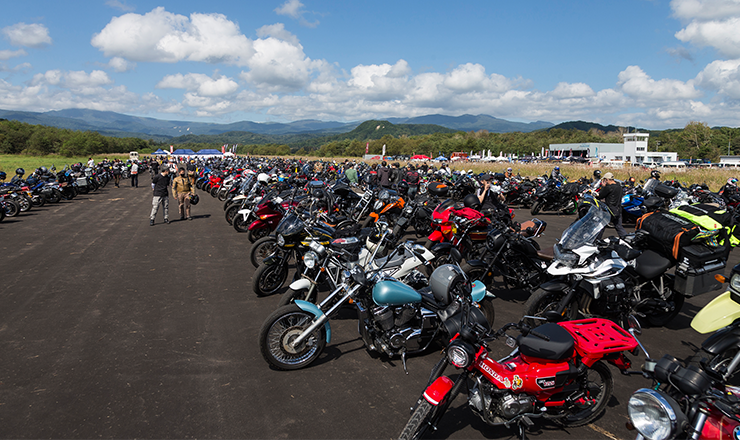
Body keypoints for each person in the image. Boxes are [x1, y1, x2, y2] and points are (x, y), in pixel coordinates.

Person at [597, 172, 627, 238]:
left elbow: (601, 196)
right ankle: (626, 239)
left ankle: (596, 240)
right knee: (619, 226)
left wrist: (603, 186)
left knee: (602, 225)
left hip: (609, 209)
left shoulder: (609, 188)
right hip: (618, 209)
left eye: (604, 180)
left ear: (607, 180)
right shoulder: (619, 187)